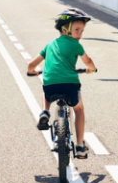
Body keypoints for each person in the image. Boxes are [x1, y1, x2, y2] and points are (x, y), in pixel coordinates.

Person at [27, 8, 97, 159]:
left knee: (46, 88)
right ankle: (79, 145)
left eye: (82, 30)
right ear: (65, 29)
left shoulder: (49, 45)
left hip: (51, 85)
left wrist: (33, 71)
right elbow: (88, 61)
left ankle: (45, 111)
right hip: (70, 85)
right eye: (77, 29)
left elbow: (31, 65)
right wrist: (92, 69)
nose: (80, 34)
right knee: (79, 109)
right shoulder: (76, 45)